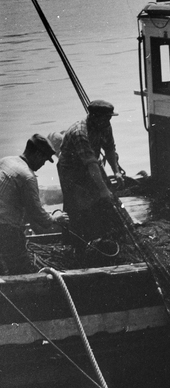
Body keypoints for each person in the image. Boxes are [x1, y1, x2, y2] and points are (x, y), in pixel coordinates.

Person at [56, 100, 124, 244]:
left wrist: (116, 171)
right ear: (94, 117)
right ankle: (74, 242)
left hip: (91, 163)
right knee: (77, 205)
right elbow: (90, 163)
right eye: (106, 118)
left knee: (105, 200)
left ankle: (104, 235)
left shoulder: (105, 125)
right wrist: (103, 189)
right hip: (71, 170)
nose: (109, 121)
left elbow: (110, 148)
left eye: (110, 117)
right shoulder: (80, 133)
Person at [0, 134, 65, 275]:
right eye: (44, 160)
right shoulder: (28, 177)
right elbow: (37, 214)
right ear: (37, 154)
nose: (43, 165)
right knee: (21, 267)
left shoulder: (5, 161)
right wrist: (55, 219)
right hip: (5, 228)